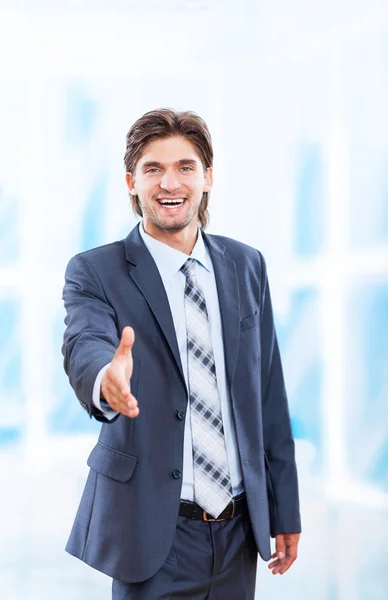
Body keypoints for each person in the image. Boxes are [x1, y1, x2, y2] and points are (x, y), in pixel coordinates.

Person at [62, 108, 301, 599]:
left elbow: (269, 395)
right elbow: (85, 342)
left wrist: (284, 509)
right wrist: (106, 377)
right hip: (154, 534)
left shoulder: (246, 265)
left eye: (185, 167)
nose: (170, 182)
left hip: (238, 530)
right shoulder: (96, 271)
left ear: (208, 176)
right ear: (131, 182)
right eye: (153, 168)